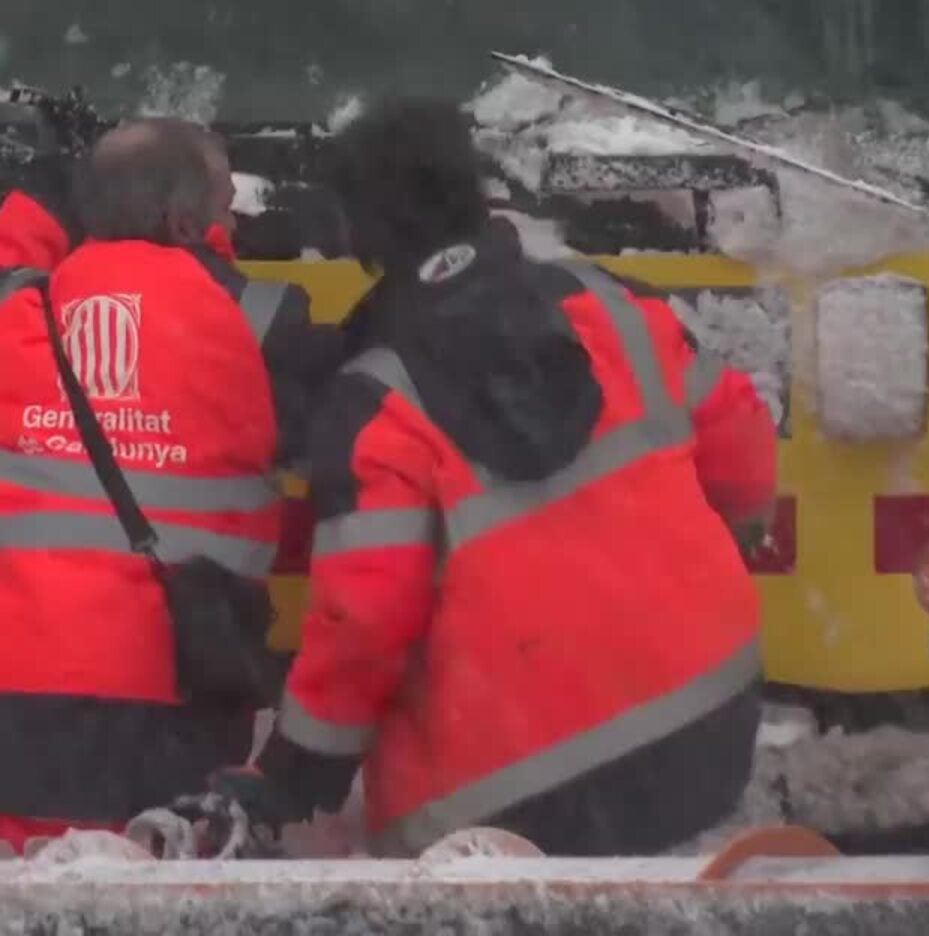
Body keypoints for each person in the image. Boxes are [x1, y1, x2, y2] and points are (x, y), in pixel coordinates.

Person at [217, 98, 777, 858]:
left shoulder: (377, 400)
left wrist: (294, 772)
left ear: (355, 233)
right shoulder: (611, 305)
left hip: (504, 805)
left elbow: (365, 622)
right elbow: (741, 442)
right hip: (708, 731)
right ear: (476, 193)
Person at [0, 118, 337, 858]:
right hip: (165, 731)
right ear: (185, 221)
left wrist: (42, 204)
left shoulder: (2, 316)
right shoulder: (259, 324)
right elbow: (348, 440)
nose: (233, 219)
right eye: (225, 204)